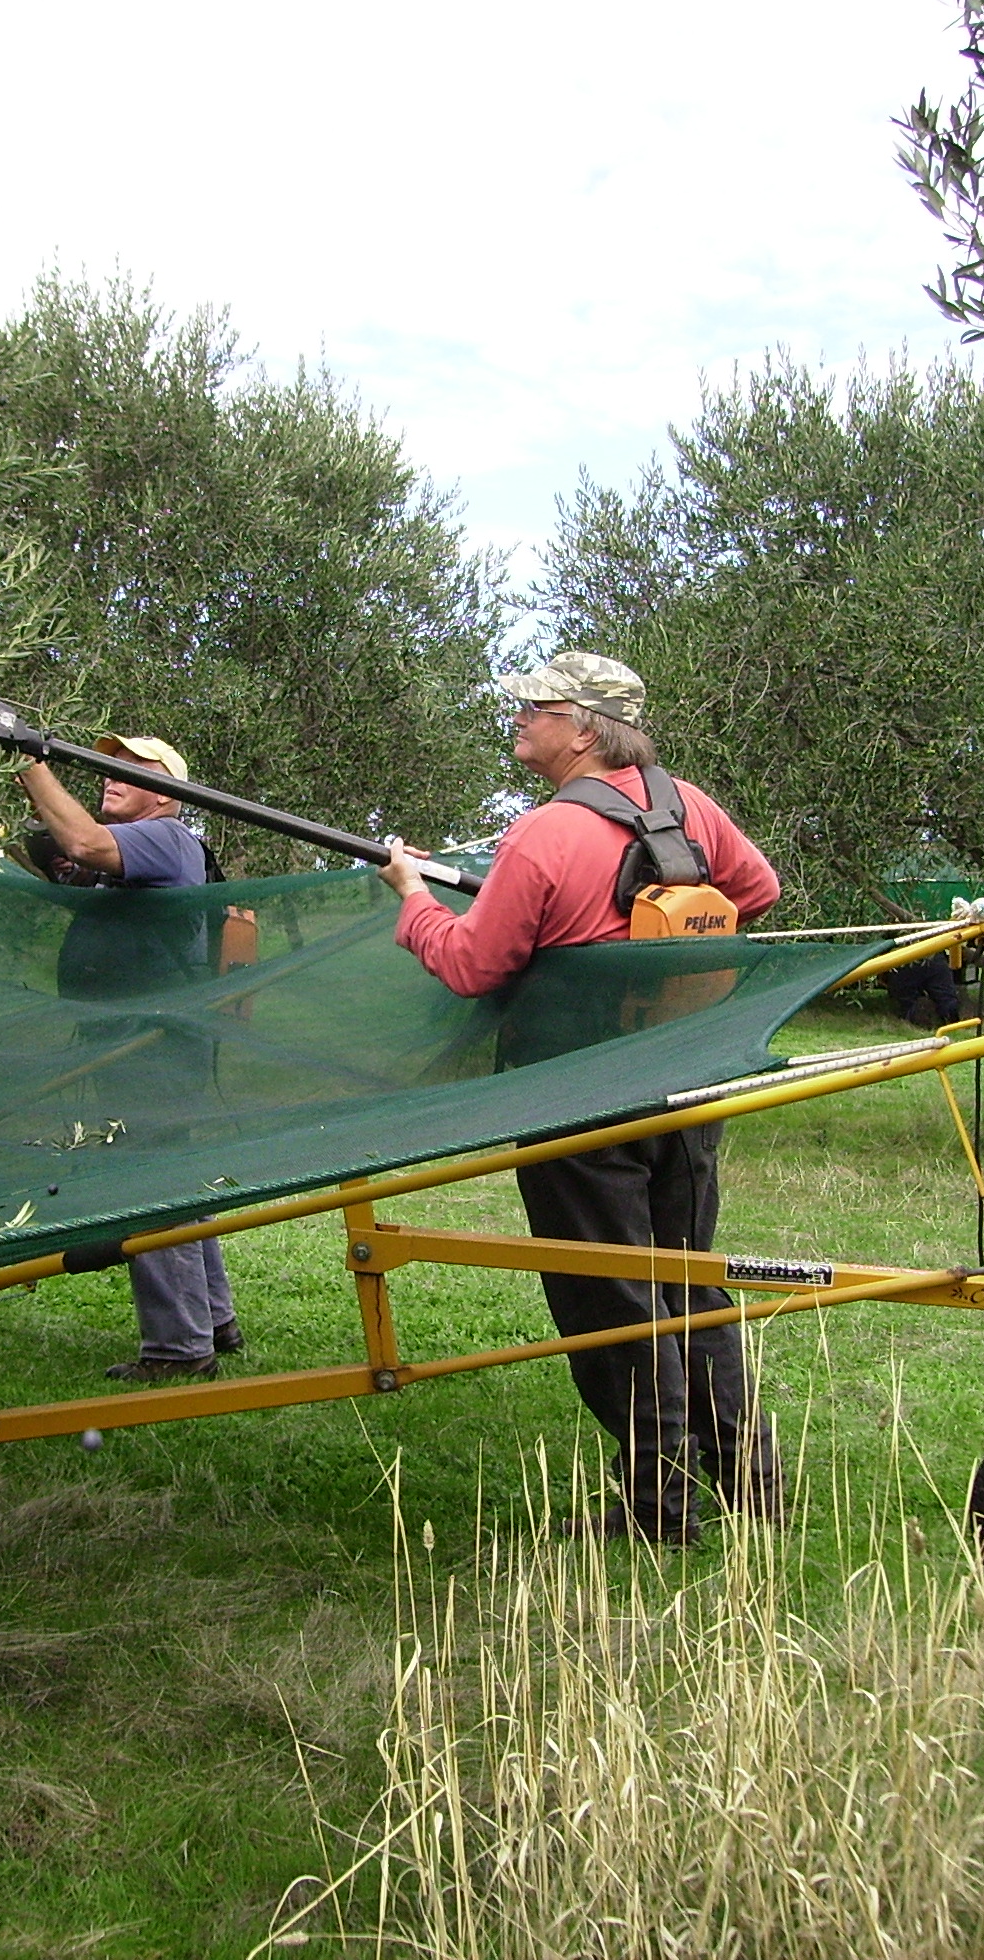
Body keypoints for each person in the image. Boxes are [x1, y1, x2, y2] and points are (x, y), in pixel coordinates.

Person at [378, 651, 784, 1543]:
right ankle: (753, 1488)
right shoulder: (689, 808)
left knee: (613, 1305)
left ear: (588, 730)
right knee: (691, 1278)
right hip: (685, 1083)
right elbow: (758, 892)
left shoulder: (543, 835)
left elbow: (472, 964)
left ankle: (658, 1508)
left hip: (577, 1102)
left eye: (539, 707)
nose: (519, 718)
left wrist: (412, 898)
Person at [14, 733, 242, 1384]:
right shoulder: (149, 849)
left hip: (154, 1043)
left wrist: (29, 766)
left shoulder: (166, 839)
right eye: (108, 764)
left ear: (167, 792)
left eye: (132, 768)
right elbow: (65, 848)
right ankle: (215, 1322)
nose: (110, 774)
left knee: (148, 1183)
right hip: (154, 1040)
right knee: (177, 1178)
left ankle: (178, 1350)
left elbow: (84, 843)